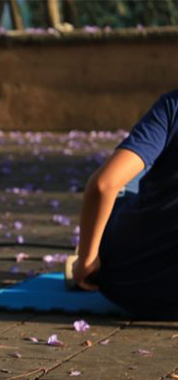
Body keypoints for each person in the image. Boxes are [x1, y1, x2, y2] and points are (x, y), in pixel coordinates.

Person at [73, 91, 178, 319]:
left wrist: (86, 261)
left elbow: (103, 185)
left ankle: (84, 253)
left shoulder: (172, 106)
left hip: (127, 285)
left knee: (131, 178)